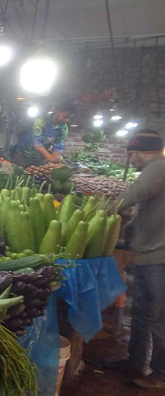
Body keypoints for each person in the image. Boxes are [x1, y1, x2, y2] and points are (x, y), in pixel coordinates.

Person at [106, 130, 165, 389]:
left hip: (159, 257)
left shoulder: (158, 166)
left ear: (139, 152)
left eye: (132, 155)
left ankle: (160, 375)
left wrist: (104, 210)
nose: (132, 161)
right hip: (146, 253)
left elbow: (133, 195)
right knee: (140, 312)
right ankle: (135, 360)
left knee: (159, 316)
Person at [12, 101, 76, 167]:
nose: (66, 120)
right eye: (65, 116)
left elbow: (58, 146)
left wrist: (55, 161)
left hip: (40, 159)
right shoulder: (41, 120)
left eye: (69, 118)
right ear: (58, 112)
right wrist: (50, 158)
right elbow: (36, 143)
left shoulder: (63, 128)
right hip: (23, 155)